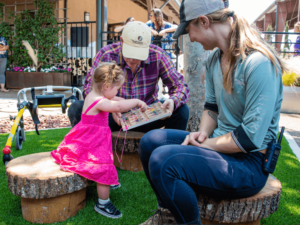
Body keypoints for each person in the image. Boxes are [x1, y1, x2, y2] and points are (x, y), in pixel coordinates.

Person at [139, 0, 287, 224]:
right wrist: (203, 134)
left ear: (204, 22)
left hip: (249, 163)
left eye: (189, 30)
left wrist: (204, 144)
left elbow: (248, 139)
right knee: (150, 142)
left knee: (163, 159)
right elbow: (212, 107)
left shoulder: (259, 64)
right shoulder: (214, 59)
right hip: (220, 147)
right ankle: (168, 214)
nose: (191, 38)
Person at [51, 62, 147, 219]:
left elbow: (115, 100)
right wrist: (135, 102)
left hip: (91, 137)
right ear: (107, 86)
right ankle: (103, 203)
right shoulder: (99, 101)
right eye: (117, 88)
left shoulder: (94, 94)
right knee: (103, 167)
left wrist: (118, 104)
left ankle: (107, 184)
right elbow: (117, 106)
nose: (118, 91)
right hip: (92, 141)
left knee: (105, 161)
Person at [68, 21, 190, 133]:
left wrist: (173, 100)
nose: (133, 59)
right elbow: (89, 90)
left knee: (181, 111)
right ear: (121, 41)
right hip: (112, 117)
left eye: (139, 53)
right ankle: (90, 148)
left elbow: (180, 86)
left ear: (148, 45)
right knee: (76, 109)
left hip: (147, 115)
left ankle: (167, 150)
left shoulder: (158, 55)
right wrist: (112, 107)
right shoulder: (106, 55)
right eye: (130, 52)